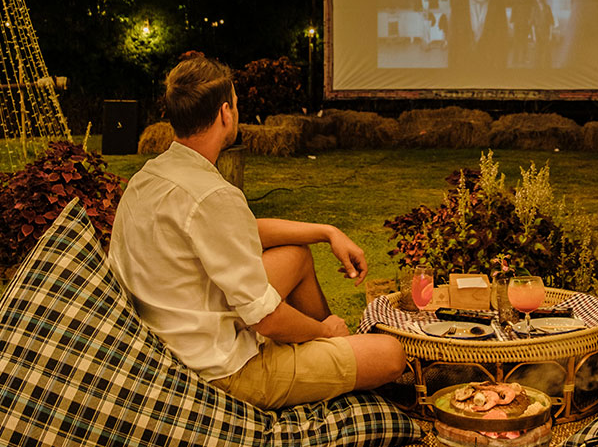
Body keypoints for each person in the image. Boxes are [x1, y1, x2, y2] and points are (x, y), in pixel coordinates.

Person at [108, 55, 405, 410]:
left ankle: (327, 347)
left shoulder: (148, 178)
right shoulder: (212, 195)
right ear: (225, 113)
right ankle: (329, 346)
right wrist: (325, 331)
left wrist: (328, 232)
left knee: (295, 254)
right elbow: (267, 320)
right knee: (390, 354)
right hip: (219, 370)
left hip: (173, 336)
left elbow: (243, 230)